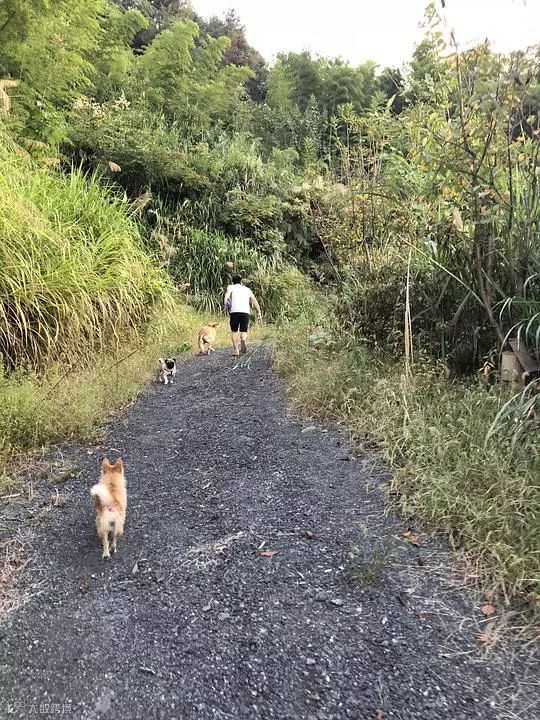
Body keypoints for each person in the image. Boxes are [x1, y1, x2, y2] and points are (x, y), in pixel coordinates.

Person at [224, 275, 262, 356]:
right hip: (245, 311)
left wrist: (226, 301)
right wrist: (259, 311)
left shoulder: (231, 287)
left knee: (234, 331)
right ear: (241, 281)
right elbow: (254, 300)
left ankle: (235, 350)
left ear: (232, 281)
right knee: (244, 330)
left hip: (234, 311)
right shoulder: (247, 289)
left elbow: (227, 295)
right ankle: (243, 339)